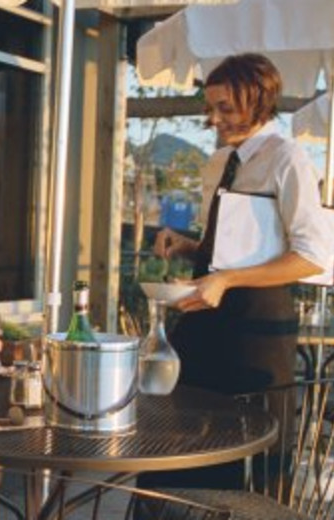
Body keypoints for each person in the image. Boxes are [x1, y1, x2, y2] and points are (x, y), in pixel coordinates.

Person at [147, 53, 330, 488]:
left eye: (224, 108)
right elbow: (231, 247)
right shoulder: (219, 162)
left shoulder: (287, 159)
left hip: (255, 334)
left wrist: (226, 279)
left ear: (260, 101)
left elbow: (314, 256)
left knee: (244, 467)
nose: (212, 119)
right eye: (209, 108)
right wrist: (189, 245)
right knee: (180, 450)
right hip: (204, 322)